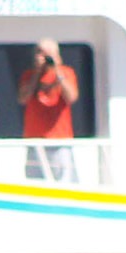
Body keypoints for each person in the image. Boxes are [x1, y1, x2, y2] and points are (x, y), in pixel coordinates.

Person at [16, 40, 78, 178]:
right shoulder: (29, 75)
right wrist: (37, 73)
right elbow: (23, 98)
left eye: (49, 54)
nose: (45, 57)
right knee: (35, 183)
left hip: (60, 139)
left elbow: (71, 97)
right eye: (40, 52)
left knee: (64, 180)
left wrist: (57, 70)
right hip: (34, 139)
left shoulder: (66, 73)